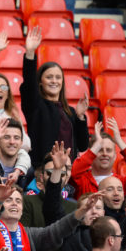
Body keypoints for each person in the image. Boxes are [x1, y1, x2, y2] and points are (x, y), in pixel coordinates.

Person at [21, 26, 90, 167]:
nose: (54, 81)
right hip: (43, 172)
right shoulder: (35, 105)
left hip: (69, 174)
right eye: (49, 77)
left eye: (58, 77)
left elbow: (83, 146)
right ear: (40, 82)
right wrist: (30, 52)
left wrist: (80, 117)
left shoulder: (70, 112)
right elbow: (29, 83)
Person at [71, 120, 126, 198]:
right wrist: (96, 145)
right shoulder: (82, 181)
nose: (105, 154)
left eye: (109, 150)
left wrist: (119, 141)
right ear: (92, 154)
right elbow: (72, 173)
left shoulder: (122, 183)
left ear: (115, 156)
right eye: (99, 150)